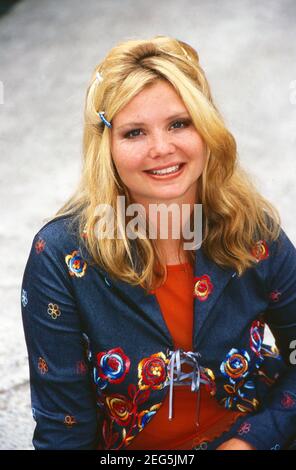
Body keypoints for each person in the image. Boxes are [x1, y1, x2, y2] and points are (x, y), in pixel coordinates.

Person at [21, 35, 296, 450]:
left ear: (207, 129)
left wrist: (251, 441)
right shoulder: (62, 256)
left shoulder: (253, 228)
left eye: (179, 123)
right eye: (134, 132)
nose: (162, 149)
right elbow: (64, 427)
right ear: (107, 147)